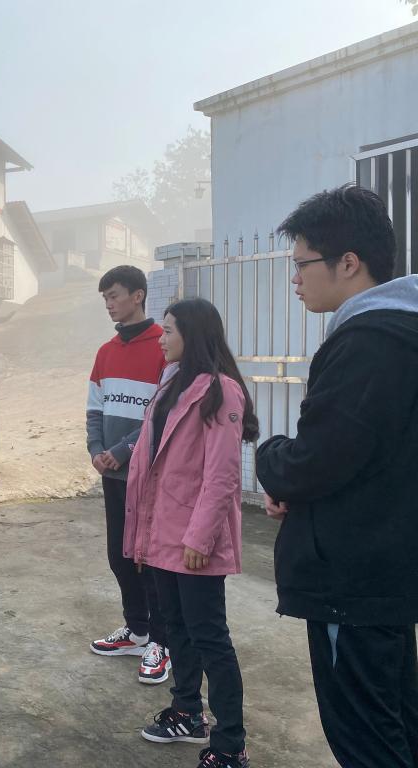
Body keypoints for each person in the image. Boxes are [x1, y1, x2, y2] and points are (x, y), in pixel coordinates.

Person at [255, 185, 418, 767]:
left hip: (354, 579)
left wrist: (271, 460)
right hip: (387, 568)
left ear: (348, 263)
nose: (295, 278)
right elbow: (363, 454)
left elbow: (317, 461)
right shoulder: (401, 334)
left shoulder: (370, 342)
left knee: (366, 740)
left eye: (302, 264)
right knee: (395, 723)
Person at [125, 298, 257, 768]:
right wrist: (140, 535)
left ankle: (230, 743)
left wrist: (200, 538)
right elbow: (150, 463)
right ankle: (186, 712)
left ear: (193, 334)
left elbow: (222, 475)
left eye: (168, 331)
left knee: (209, 638)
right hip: (161, 534)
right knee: (175, 627)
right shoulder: (171, 384)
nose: (161, 339)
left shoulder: (222, 391)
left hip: (194, 542)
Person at [86, 265, 171, 684]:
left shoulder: (164, 347)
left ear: (138, 296)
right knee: (119, 555)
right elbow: (94, 408)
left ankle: (162, 641)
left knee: (149, 559)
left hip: (147, 476)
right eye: (104, 298)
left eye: (114, 295)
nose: (109, 304)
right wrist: (96, 451)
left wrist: (121, 452)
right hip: (112, 474)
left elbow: (162, 414)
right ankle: (137, 630)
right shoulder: (105, 352)